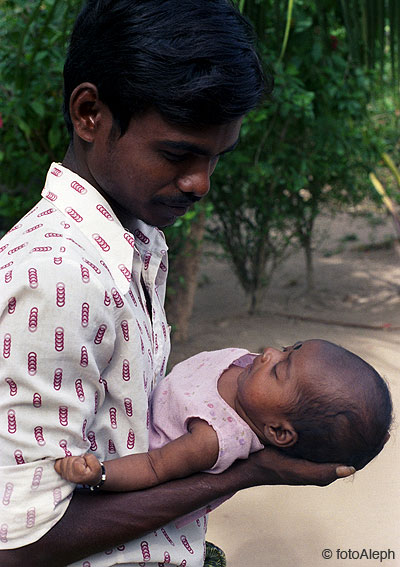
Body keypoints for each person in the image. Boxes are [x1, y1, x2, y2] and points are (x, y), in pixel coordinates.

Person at [0, 2, 357, 566]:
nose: (200, 183)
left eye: (216, 158)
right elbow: (22, 544)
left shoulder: (135, 240)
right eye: (177, 154)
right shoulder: (56, 275)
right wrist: (244, 471)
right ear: (89, 112)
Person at [54, 340, 392, 509]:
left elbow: (155, 467)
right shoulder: (248, 375)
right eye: (290, 347)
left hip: (124, 456)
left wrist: (98, 474)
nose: (270, 352)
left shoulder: (215, 437)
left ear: (277, 431)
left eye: (279, 369)